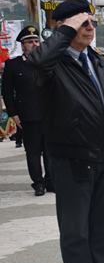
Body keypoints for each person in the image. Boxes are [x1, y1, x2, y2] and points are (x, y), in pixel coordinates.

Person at [27, 0, 104, 263]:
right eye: (82, 23)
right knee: (76, 229)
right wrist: (61, 32)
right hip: (71, 159)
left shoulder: (98, 61)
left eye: (92, 22)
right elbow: (37, 61)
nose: (90, 28)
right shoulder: (52, 64)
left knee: (103, 224)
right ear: (65, 27)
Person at [2, 25, 54, 195]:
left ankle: (50, 181)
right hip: (28, 115)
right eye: (30, 41)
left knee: (50, 151)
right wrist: (13, 114)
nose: (34, 44)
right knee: (32, 152)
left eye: (36, 41)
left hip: (49, 114)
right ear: (23, 45)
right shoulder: (13, 65)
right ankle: (38, 183)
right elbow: (7, 92)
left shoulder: (47, 62)